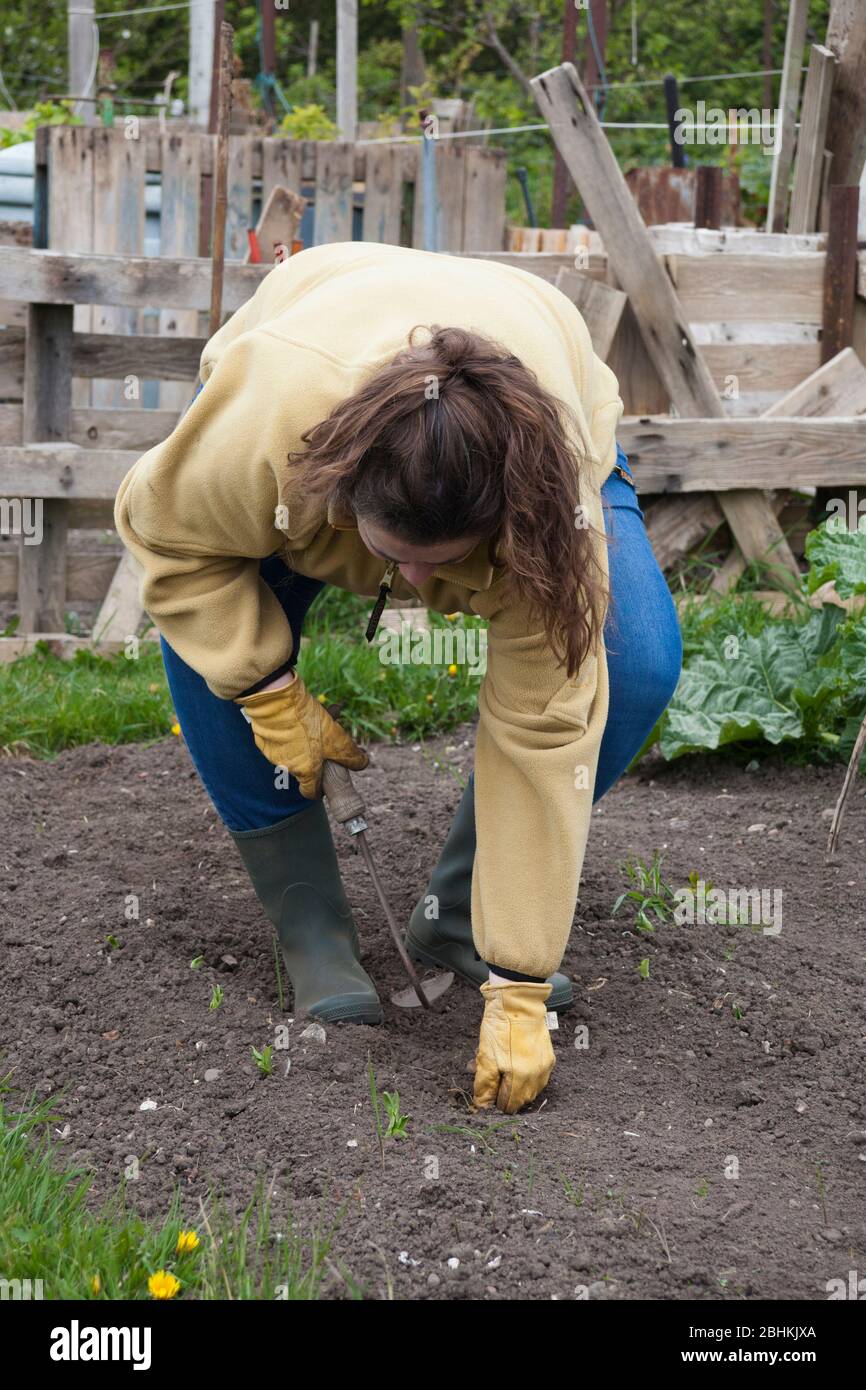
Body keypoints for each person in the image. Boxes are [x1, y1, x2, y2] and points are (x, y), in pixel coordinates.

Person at [114, 240, 681, 1115]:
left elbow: (543, 730)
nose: (418, 590)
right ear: (345, 504)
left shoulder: (546, 512)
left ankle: (457, 917)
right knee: (213, 634)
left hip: (541, 380)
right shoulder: (269, 421)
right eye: (393, 557)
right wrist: (267, 689)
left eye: (443, 564)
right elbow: (176, 550)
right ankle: (312, 929)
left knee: (635, 662)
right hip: (315, 352)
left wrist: (522, 985)